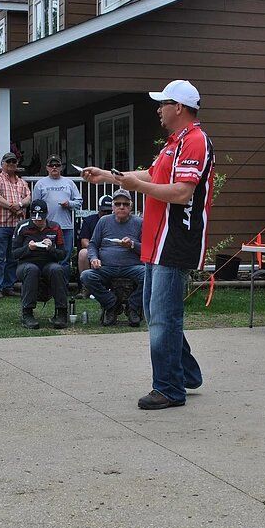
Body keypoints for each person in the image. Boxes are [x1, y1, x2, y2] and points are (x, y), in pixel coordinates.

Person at [83, 79, 214, 410]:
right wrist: (110, 176)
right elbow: (150, 174)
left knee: (162, 317)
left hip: (175, 241)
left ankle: (168, 388)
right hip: (157, 242)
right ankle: (185, 372)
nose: (158, 109)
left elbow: (182, 192)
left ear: (179, 108)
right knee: (159, 312)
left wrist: (135, 186)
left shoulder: (195, 141)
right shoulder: (175, 143)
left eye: (162, 104)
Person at [80, 188, 144, 327]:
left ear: (131, 206)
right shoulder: (104, 221)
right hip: (106, 267)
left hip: (132, 266)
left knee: (150, 275)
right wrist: (94, 258)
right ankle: (111, 304)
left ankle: (133, 306)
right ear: (113, 206)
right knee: (86, 276)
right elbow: (92, 245)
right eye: (118, 203)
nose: (122, 207)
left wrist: (132, 245)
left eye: (126, 204)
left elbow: (148, 249)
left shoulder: (139, 222)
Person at [11, 199, 69, 329]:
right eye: (35, 219)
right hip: (26, 264)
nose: (38, 222)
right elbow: (14, 254)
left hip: (48, 262)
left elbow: (62, 254)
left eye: (41, 219)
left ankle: (61, 312)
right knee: (32, 270)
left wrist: (51, 248)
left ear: (46, 215)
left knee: (57, 269)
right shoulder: (22, 226)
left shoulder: (55, 227)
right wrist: (28, 248)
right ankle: (27, 312)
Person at [0, 152, 31, 298]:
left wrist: (18, 205)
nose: (11, 164)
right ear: (2, 164)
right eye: (8, 162)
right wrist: (12, 207)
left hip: (17, 225)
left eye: (14, 161)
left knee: (13, 257)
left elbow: (28, 198)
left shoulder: (22, 182)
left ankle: (8, 286)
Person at [32, 155, 82, 263]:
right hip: (47, 226)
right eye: (51, 165)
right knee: (46, 255)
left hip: (66, 226)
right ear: (47, 167)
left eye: (57, 165)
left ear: (61, 167)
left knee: (65, 257)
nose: (54, 167)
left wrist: (69, 203)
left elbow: (79, 202)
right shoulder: (40, 184)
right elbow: (35, 205)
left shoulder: (69, 183)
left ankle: (64, 279)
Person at [77, 194, 112, 276]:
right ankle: (85, 284)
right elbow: (84, 242)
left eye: (109, 211)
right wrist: (96, 250)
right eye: (104, 210)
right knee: (83, 253)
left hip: (112, 250)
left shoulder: (117, 221)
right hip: (94, 249)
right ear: (99, 208)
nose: (106, 213)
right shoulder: (89, 220)